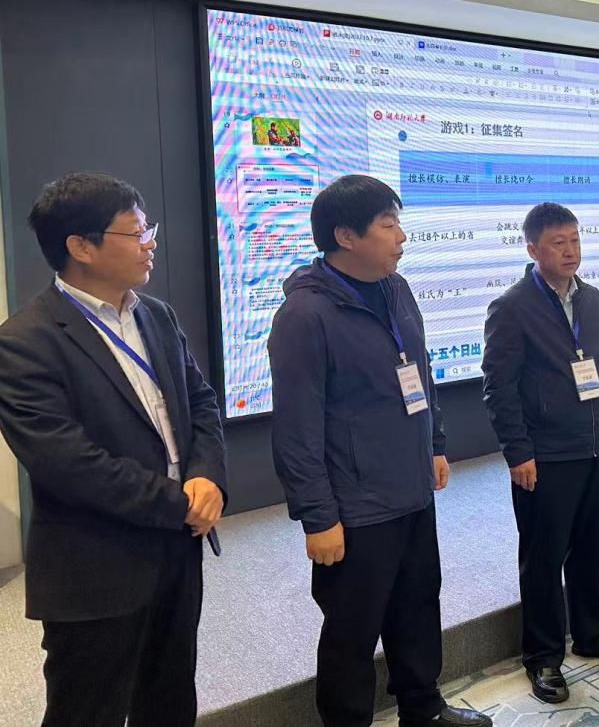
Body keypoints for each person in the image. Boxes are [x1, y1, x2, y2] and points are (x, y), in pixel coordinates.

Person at [0, 172, 226, 727]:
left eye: (149, 229)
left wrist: (206, 476)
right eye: (136, 232)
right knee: (88, 711)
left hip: (178, 550)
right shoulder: (24, 342)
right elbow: (68, 463)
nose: (150, 243)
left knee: (170, 700)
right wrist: (180, 503)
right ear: (81, 246)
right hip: (97, 566)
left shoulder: (156, 315)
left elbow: (200, 402)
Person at [269, 174, 489, 727]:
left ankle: (423, 707)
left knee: (417, 604)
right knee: (352, 629)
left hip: (411, 487)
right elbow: (296, 429)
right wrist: (318, 517)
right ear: (346, 236)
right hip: (356, 506)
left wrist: (434, 444)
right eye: (389, 226)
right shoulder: (305, 316)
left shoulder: (397, 288)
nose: (401, 237)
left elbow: (421, 373)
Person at [482, 202, 599, 705]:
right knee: (544, 559)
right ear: (533, 249)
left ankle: (592, 634)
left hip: (594, 446)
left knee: (592, 547)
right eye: (558, 243)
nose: (571, 251)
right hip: (546, 455)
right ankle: (544, 656)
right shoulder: (512, 307)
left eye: (575, 240)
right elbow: (499, 388)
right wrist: (517, 452)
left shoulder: (590, 298)